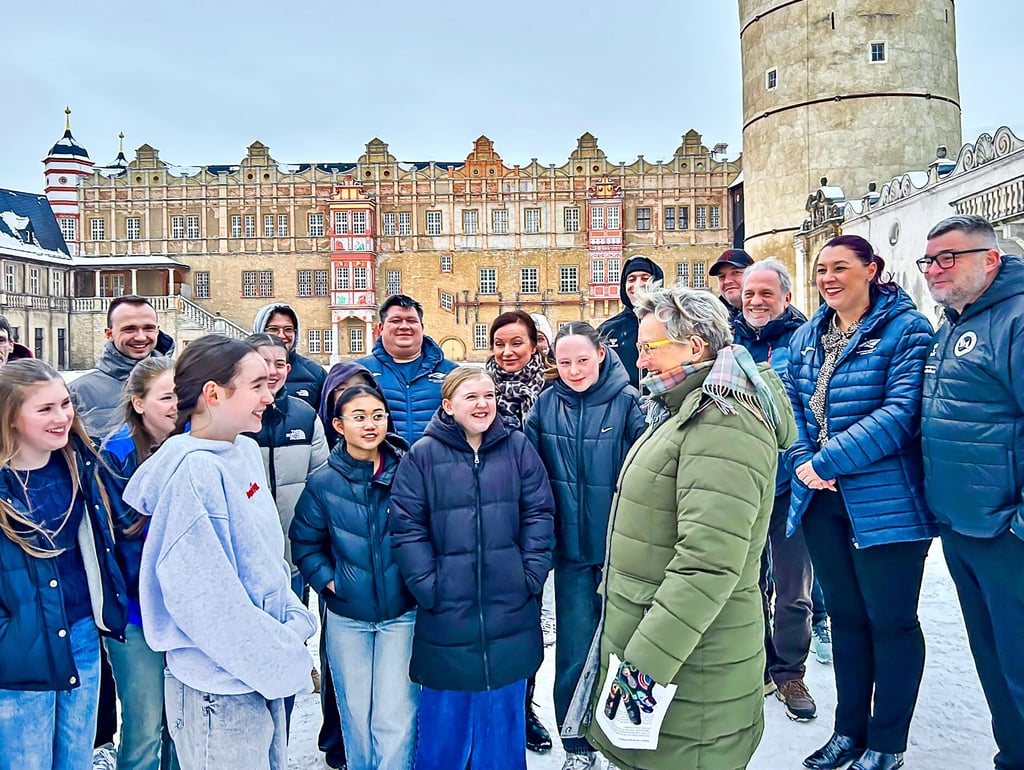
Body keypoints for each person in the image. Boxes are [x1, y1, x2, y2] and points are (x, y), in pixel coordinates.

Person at [586, 284, 794, 770]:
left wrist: (641, 674)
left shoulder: (722, 418)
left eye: (648, 347)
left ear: (695, 345)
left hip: (693, 671)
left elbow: (707, 564)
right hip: (671, 652)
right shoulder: (683, 407)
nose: (638, 362)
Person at [123, 334, 318, 770]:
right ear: (213, 394)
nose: (270, 396)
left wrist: (291, 619)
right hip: (219, 687)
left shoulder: (241, 451)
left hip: (254, 674)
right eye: (256, 386)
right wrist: (281, 653)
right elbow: (206, 601)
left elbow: (267, 560)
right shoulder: (195, 472)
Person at [785, 235, 936, 770]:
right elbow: (794, 406)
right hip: (824, 501)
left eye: (841, 267)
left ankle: (887, 741)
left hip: (887, 500)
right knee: (847, 620)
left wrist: (825, 463)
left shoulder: (907, 329)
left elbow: (901, 413)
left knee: (891, 622)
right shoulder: (809, 336)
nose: (828, 277)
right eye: (822, 268)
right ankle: (848, 732)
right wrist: (806, 459)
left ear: (872, 270)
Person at [390, 367, 554, 770]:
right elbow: (406, 526)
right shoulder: (423, 456)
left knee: (502, 723)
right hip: (448, 608)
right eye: (471, 397)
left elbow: (540, 512)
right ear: (448, 405)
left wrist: (529, 573)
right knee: (445, 726)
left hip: (509, 607)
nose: (483, 404)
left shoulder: (517, 447)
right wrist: (428, 585)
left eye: (488, 396)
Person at [918, 214, 1024, 770]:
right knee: (993, 661)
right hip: (962, 527)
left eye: (948, 258)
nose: (935, 268)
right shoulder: (954, 322)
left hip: (1006, 533)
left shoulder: (1017, 319)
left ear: (991, 259)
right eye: (929, 260)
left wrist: (1017, 525)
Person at [523, 322, 645, 770]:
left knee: (625, 649)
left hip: (622, 551)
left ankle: (623, 740)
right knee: (574, 652)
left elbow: (645, 476)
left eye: (582, 359)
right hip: (571, 553)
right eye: (564, 362)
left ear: (600, 353)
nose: (574, 370)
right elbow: (531, 479)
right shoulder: (545, 406)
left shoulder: (629, 402)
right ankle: (576, 744)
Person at [0, 359, 128, 769]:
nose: (62, 417)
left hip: (81, 634)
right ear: (11, 417)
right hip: (19, 648)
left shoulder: (80, 464)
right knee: (26, 760)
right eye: (45, 409)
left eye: (65, 404)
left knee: (76, 757)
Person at [291, 385, 418, 770]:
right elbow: (305, 543)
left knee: (396, 713)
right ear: (338, 425)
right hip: (349, 617)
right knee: (356, 712)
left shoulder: (409, 473)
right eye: (359, 417)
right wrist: (332, 581)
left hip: (401, 613)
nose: (370, 425)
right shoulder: (323, 482)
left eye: (378, 416)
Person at [732, 258, 819, 721]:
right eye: (749, 294)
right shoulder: (726, 342)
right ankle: (754, 664)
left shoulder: (806, 341)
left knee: (793, 589)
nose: (756, 302)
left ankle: (789, 669)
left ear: (786, 297)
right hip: (743, 479)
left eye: (766, 293)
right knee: (747, 583)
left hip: (792, 483)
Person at [99, 356, 180, 770]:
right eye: (166, 397)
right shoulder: (116, 454)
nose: (175, 406)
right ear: (138, 402)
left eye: (180, 396)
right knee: (145, 726)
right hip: (135, 613)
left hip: (184, 613)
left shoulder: (189, 444)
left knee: (180, 727)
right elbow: (123, 536)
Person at [484, 309, 553, 750]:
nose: (507, 352)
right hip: (486, 516)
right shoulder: (477, 390)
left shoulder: (550, 392)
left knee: (526, 618)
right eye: (499, 343)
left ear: (534, 346)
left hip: (532, 515)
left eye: (517, 343)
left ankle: (524, 706)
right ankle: (494, 702)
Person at [244, 334, 329, 601]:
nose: (272, 371)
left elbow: (321, 484)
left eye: (279, 364)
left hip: (293, 556)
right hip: (244, 559)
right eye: (263, 362)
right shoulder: (233, 417)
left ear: (288, 370)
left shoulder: (305, 416)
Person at [356, 294, 457, 446]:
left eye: (411, 320)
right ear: (381, 328)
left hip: (436, 465)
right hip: (380, 465)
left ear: (421, 328)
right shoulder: (359, 372)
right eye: (396, 320)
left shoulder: (452, 373)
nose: (404, 326)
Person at [69, 295, 174, 440]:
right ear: (109, 334)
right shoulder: (77, 393)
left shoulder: (184, 383)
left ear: (157, 330)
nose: (141, 337)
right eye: (129, 329)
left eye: (148, 328)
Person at [597, 254, 664, 388]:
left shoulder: (672, 322)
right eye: (631, 279)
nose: (638, 284)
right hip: (624, 405)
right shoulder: (608, 330)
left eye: (645, 278)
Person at [253, 303, 327, 409]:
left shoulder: (315, 373)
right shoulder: (240, 370)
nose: (282, 336)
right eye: (273, 329)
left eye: (288, 329)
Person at [318, 360, 390, 448]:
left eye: (359, 387)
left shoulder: (395, 453)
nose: (352, 393)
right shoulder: (319, 441)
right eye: (342, 388)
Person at [709, 247, 755, 323]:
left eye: (736, 272)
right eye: (722, 276)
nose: (727, 281)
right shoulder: (712, 319)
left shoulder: (773, 314)